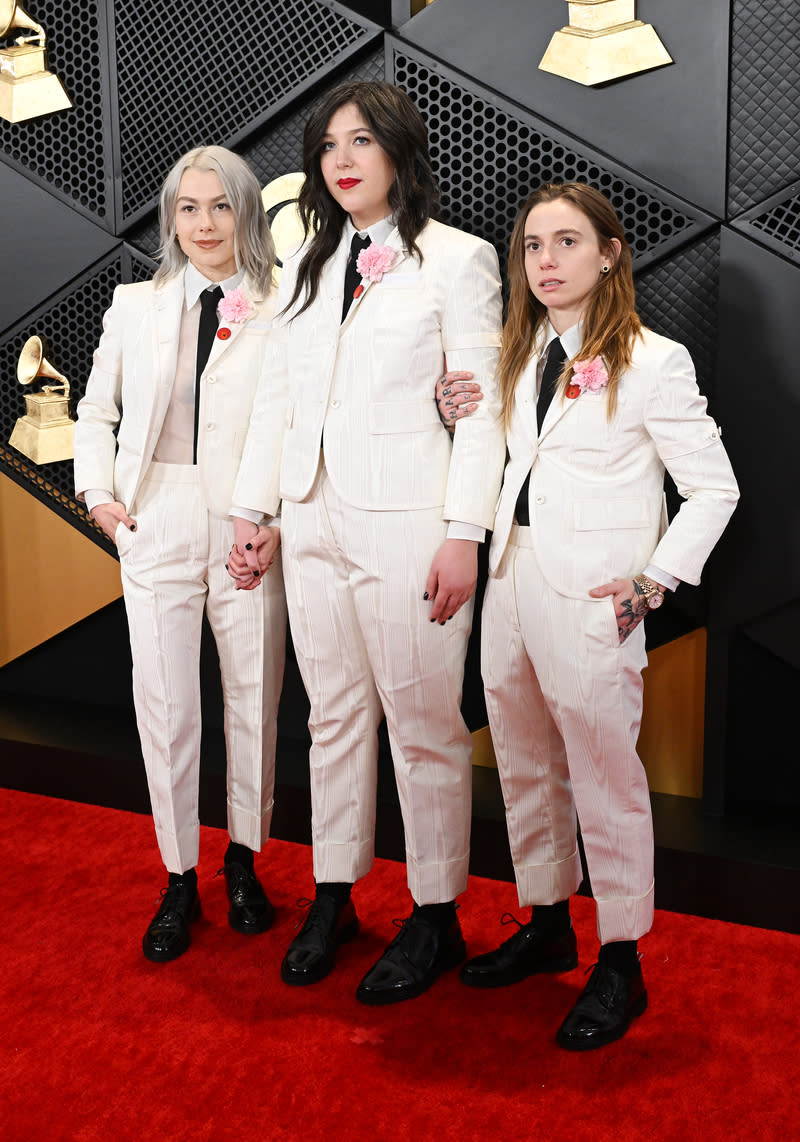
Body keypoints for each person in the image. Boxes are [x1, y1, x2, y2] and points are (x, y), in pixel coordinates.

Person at [437, 182, 738, 1048]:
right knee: (525, 766)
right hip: (513, 587)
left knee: (607, 781)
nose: (546, 262)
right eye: (532, 246)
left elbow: (714, 489)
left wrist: (653, 584)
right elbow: (500, 457)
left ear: (609, 252)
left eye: (567, 243)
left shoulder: (654, 360)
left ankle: (622, 960)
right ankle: (545, 925)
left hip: (595, 603)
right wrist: (449, 406)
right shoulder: (518, 351)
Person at [230, 81, 505, 1004]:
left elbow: (481, 407)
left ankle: (435, 914)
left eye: (362, 142)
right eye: (328, 146)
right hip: (310, 518)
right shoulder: (304, 261)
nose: (342, 160)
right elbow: (278, 400)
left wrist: (466, 531)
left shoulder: (456, 261)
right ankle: (335, 892)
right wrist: (256, 511)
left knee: (425, 725)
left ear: (398, 152)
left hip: (407, 524)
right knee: (334, 715)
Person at [73, 146, 287, 963]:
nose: (204, 224)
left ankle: (243, 860)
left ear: (248, 213)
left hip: (243, 521)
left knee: (252, 696)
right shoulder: (136, 302)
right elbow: (94, 411)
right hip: (153, 513)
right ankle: (178, 874)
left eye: (221, 206)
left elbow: (290, 421)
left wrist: (262, 517)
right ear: (170, 218)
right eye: (188, 208)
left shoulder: (280, 304)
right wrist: (101, 499)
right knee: (164, 703)